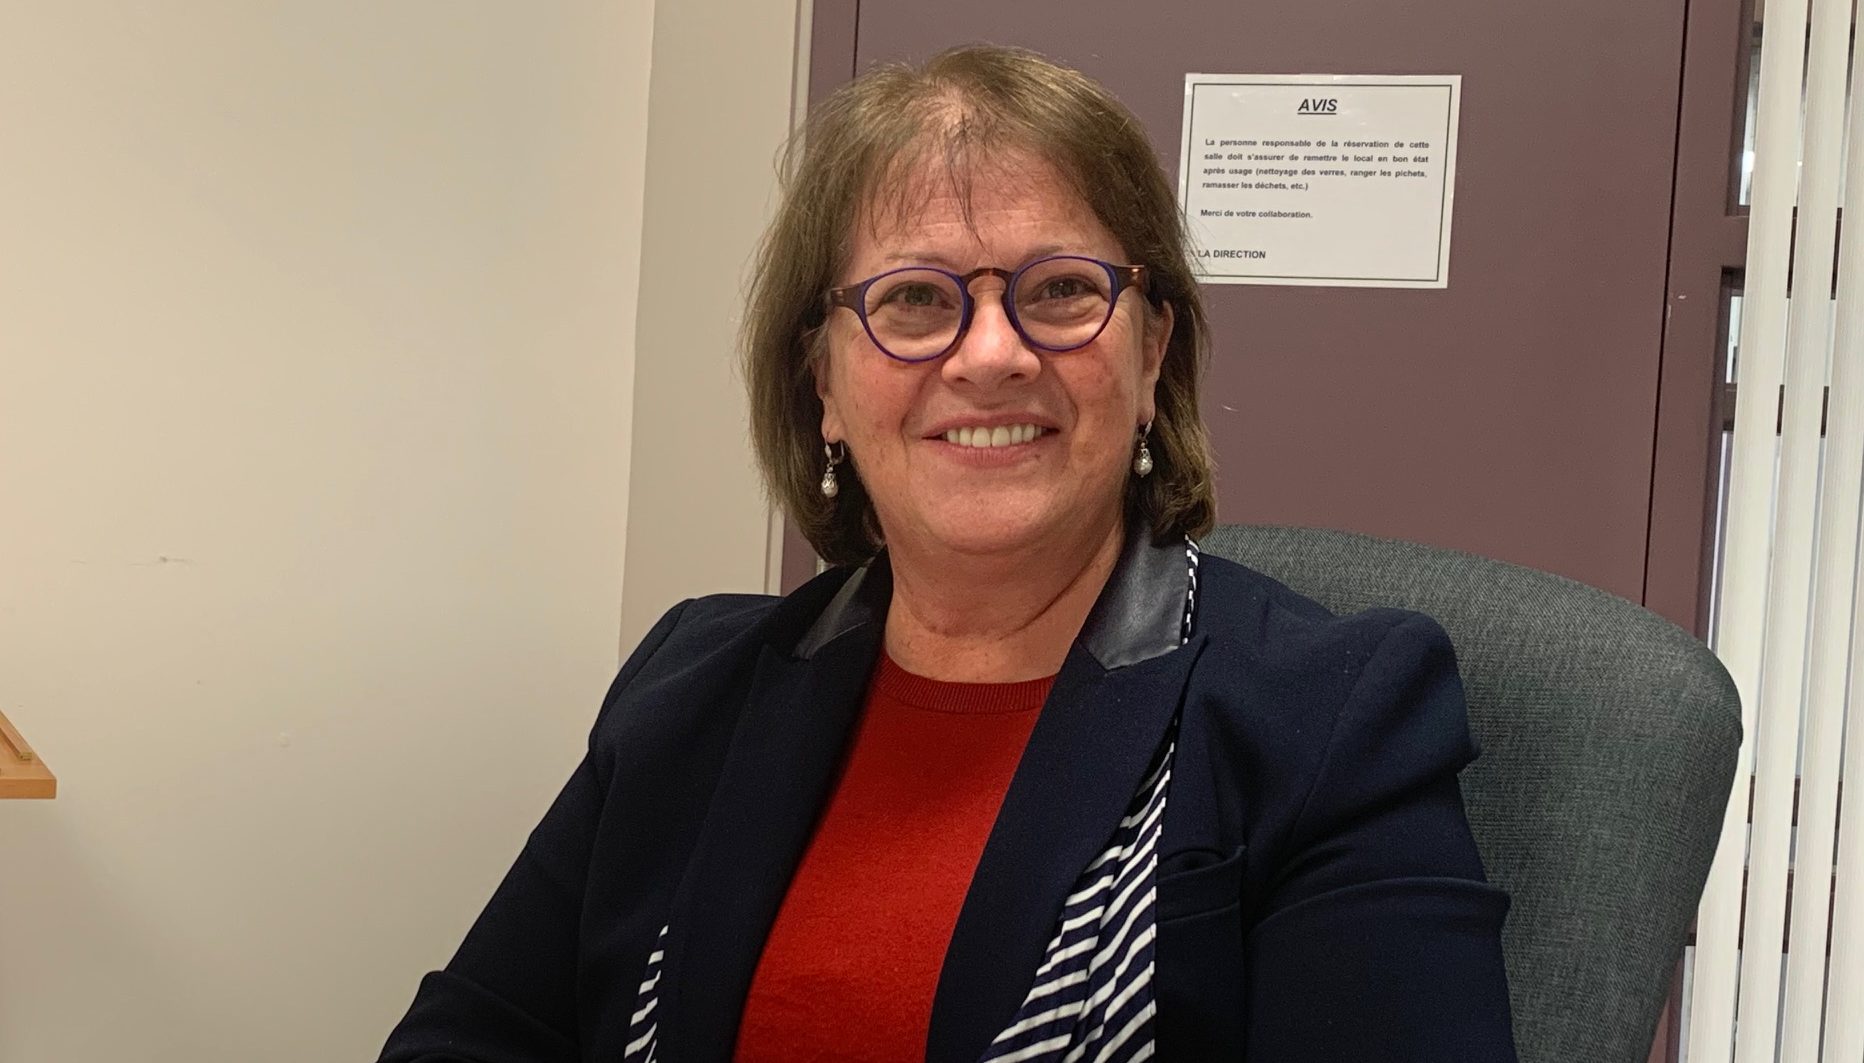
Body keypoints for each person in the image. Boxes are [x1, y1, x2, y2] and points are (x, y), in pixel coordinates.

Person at [379, 45, 1517, 1062]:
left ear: (1151, 356)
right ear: (824, 385)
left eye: (1061, 290)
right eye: (916, 300)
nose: (990, 354)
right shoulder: (690, 683)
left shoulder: (1330, 714)